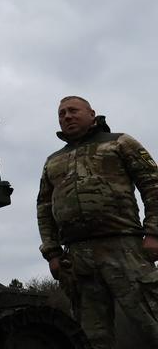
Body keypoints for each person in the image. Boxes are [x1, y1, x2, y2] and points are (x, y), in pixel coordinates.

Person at [36, 95, 158, 348]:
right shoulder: (53, 161)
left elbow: (152, 185)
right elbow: (44, 209)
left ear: (92, 114)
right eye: (61, 114)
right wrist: (53, 253)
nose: (67, 116)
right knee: (92, 338)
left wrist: (154, 233)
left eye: (73, 111)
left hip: (124, 247)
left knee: (151, 319)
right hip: (78, 258)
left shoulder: (120, 143)